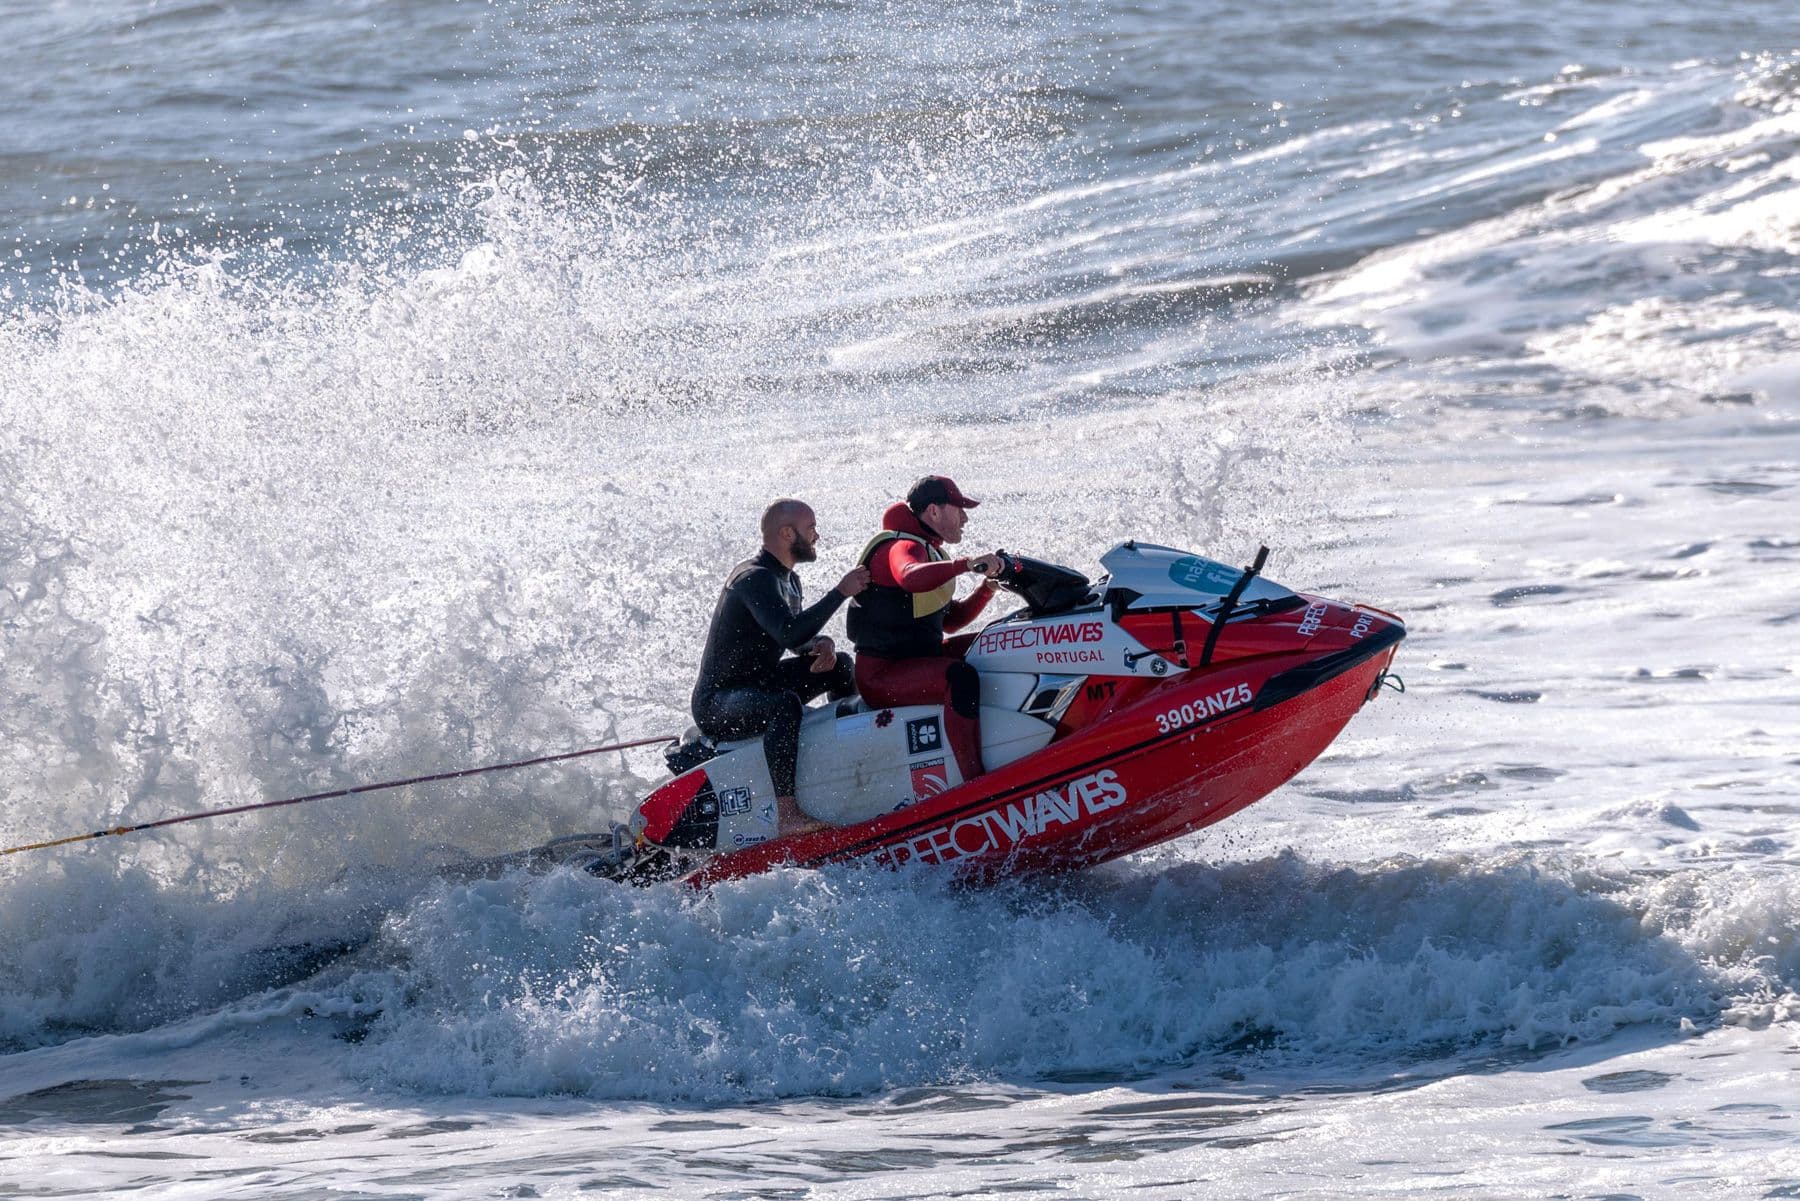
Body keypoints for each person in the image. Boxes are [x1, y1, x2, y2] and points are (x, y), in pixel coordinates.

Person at [691, 499, 870, 835]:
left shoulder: (789, 580)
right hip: (719, 702)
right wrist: (840, 592)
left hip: (759, 682)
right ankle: (787, 814)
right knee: (784, 705)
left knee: (841, 665)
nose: (817, 536)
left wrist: (820, 645)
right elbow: (789, 631)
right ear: (787, 534)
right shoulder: (753, 578)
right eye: (811, 528)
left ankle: (851, 755)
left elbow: (794, 638)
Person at [846, 476, 1004, 786]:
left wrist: (987, 589)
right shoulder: (900, 546)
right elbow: (908, 577)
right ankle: (974, 781)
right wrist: (966, 565)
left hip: (919, 659)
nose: (965, 518)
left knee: (995, 640)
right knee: (961, 677)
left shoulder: (930, 552)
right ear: (933, 511)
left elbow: (950, 622)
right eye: (959, 509)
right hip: (882, 676)